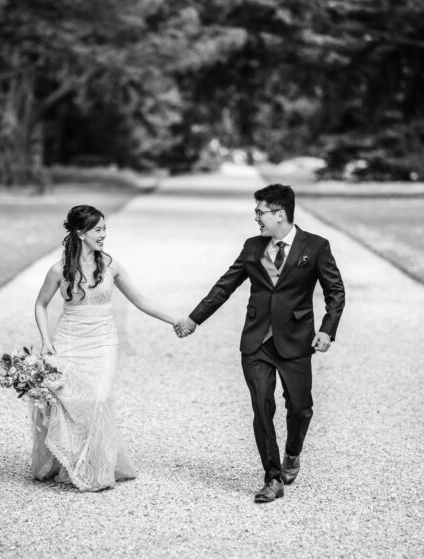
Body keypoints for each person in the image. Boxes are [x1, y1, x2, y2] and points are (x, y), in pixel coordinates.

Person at [176, 184, 345, 503]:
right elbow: (225, 286)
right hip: (256, 343)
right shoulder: (253, 246)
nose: (256, 218)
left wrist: (327, 329)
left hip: (296, 342)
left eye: (260, 212)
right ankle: (272, 477)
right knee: (262, 406)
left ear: (280, 214)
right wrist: (194, 318)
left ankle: (292, 453)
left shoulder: (317, 246)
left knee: (300, 408)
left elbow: (335, 292)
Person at [32, 204, 185, 491]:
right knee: (70, 401)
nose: (104, 235)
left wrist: (175, 319)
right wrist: (46, 341)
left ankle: (96, 468)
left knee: (99, 398)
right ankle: (71, 460)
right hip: (69, 339)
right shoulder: (58, 270)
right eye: (98, 229)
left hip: (102, 341)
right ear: (80, 233)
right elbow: (40, 304)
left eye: (105, 229)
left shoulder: (111, 265)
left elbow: (140, 300)